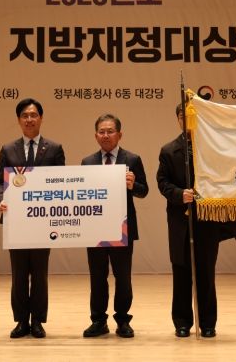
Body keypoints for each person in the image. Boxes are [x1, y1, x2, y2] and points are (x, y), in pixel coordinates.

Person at [157, 104, 236, 338]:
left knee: (205, 273)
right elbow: (162, 182)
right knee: (181, 273)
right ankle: (182, 322)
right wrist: (179, 194)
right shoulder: (168, 150)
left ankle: (208, 323)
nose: (186, 120)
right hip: (181, 221)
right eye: (182, 116)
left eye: (191, 116)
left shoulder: (214, 147)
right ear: (177, 120)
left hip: (207, 219)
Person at [0, 98, 65, 339]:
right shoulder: (8, 149)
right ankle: (21, 321)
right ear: (18, 120)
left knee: (39, 274)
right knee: (19, 274)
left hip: (43, 222)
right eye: (25, 115)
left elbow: (61, 182)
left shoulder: (54, 148)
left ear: (41, 118)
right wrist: (1, 200)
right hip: (15, 222)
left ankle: (37, 321)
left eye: (34, 115)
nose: (29, 119)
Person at [81, 114, 148, 339]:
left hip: (123, 229)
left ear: (119, 134)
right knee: (97, 277)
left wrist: (133, 185)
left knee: (123, 277)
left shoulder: (133, 159)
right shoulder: (87, 162)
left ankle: (123, 320)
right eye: (101, 131)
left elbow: (144, 191)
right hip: (95, 229)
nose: (106, 135)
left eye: (110, 131)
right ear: (95, 135)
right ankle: (98, 321)